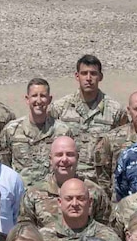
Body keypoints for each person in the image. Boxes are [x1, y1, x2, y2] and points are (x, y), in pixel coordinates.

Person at [52, 54, 128, 187]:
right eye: (84, 73)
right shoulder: (60, 108)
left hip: (100, 184)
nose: (88, 78)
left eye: (93, 73)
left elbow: (122, 147)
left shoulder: (115, 111)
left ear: (100, 77)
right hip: (67, 183)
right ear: (77, 76)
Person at [16, 136, 114, 234]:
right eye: (59, 155)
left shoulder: (94, 192)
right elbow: (26, 234)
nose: (64, 159)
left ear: (77, 158)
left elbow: (106, 232)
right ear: (50, 159)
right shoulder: (33, 194)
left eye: (70, 154)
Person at [0, 79, 61, 187]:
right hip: (21, 195)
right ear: (27, 99)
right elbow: (3, 168)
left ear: (50, 99)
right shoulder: (11, 130)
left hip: (51, 197)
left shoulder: (62, 131)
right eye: (34, 96)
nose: (39, 100)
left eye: (43, 96)